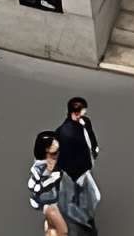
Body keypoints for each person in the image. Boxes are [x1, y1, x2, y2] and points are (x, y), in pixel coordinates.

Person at [55, 96, 100, 230]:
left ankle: (81, 212)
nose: (85, 113)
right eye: (83, 111)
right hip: (77, 171)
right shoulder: (64, 132)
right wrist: (77, 175)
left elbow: (90, 135)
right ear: (75, 113)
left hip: (86, 165)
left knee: (81, 194)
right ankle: (83, 220)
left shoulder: (85, 121)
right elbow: (65, 156)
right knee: (94, 196)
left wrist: (95, 148)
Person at [28, 133, 67, 236]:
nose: (57, 155)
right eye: (54, 152)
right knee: (63, 230)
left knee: (52, 229)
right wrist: (51, 179)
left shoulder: (54, 163)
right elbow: (34, 187)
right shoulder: (39, 168)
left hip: (56, 200)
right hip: (48, 204)